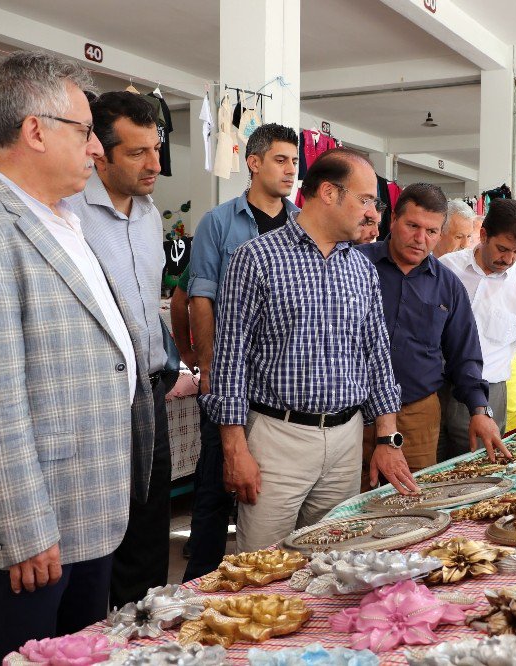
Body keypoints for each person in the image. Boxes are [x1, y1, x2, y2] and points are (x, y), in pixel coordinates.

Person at [0, 51, 155, 665]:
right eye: (85, 133)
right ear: (35, 130)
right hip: (29, 532)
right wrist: (27, 529)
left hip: (86, 508)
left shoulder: (62, 220)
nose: (95, 151)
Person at [203, 148, 417, 553]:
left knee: (332, 561)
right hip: (277, 439)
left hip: (346, 439)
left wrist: (387, 439)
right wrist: (234, 448)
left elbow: (376, 356)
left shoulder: (361, 269)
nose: (373, 214)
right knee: (264, 565)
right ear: (329, 193)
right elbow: (229, 360)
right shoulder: (256, 259)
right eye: (366, 199)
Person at [184, 123, 300, 581]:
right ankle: (200, 582)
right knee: (215, 484)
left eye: (295, 161)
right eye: (280, 160)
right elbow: (200, 298)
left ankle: (266, 580)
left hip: (280, 382)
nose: (291, 170)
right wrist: (209, 365)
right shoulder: (219, 222)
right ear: (253, 163)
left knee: (270, 488)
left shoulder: (302, 224)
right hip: (230, 375)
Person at [69, 91, 172, 608]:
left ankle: (145, 638)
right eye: (137, 153)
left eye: (155, 149)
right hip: (100, 398)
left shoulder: (151, 215)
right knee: (98, 535)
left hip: (150, 391)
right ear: (99, 154)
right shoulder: (69, 214)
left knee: (149, 530)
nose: (155, 163)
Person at [356, 184, 504, 490]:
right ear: (393, 219)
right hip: (353, 413)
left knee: (411, 504)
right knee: (347, 507)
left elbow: (464, 353)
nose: (420, 239)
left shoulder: (448, 285)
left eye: (432, 231)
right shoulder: (356, 265)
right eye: (412, 226)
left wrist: (480, 410)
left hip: (417, 414)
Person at [438, 199, 516, 457]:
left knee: (478, 475)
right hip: (434, 391)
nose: (508, 259)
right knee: (427, 474)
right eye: (502, 249)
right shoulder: (446, 268)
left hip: (489, 394)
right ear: (483, 234)